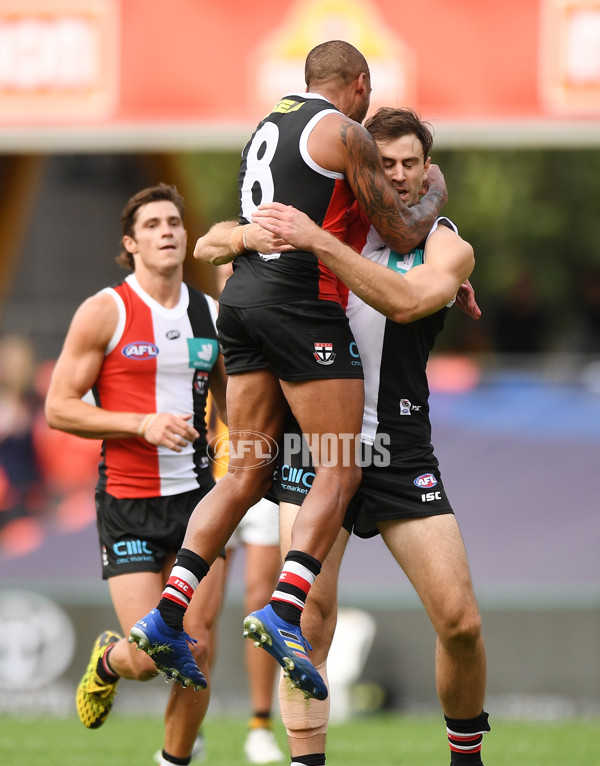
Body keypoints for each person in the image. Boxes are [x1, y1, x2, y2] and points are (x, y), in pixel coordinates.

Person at [128, 40, 449, 702]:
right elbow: (405, 228)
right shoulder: (344, 131)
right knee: (342, 463)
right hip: (303, 306)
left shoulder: (266, 128)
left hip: (241, 303)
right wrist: (436, 186)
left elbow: (236, 232)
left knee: (245, 471)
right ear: (358, 85)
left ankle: (166, 615)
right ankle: (285, 605)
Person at [250, 107, 532, 766]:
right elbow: (222, 242)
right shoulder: (329, 214)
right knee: (308, 620)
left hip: (401, 452)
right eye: (388, 163)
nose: (399, 175)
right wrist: (260, 234)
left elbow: (407, 298)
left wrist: (315, 242)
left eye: (412, 163)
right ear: (365, 165)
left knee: (461, 621)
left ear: (427, 169)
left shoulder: (446, 246)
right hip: (320, 450)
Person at [45, 183, 227, 766]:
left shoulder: (211, 314)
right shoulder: (106, 312)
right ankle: (108, 662)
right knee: (153, 656)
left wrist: (241, 461)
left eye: (175, 221)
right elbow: (59, 408)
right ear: (131, 244)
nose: (168, 231)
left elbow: (230, 403)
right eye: (152, 224)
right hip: (127, 500)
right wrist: (139, 422)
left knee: (198, 643)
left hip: (200, 503)